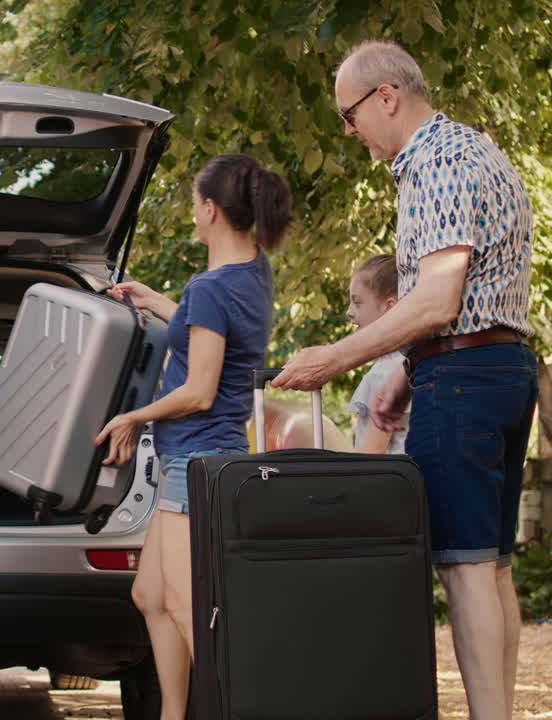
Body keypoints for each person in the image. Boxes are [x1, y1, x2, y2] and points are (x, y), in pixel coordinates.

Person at [273, 41, 537, 720]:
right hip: (502, 370)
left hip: (464, 378)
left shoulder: (438, 162)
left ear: (385, 97)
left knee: (465, 569)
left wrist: (338, 357)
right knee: (493, 566)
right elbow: (470, 299)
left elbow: (439, 300)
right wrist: (407, 374)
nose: (349, 131)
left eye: (349, 115)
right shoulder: (481, 151)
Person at [96, 154, 291, 720]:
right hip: (204, 455)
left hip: (197, 458)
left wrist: (133, 417)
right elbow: (211, 331)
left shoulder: (211, 286)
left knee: (188, 606)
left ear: (209, 210)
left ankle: (235, 708)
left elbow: (200, 390)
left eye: (192, 203)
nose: (192, 212)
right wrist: (155, 302)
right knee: (151, 595)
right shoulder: (251, 271)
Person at [346, 254, 408, 454]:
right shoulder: (405, 363)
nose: (349, 311)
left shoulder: (385, 373)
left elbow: (372, 452)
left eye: (357, 303)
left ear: (390, 306)